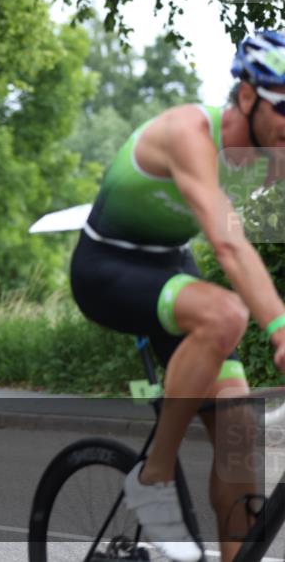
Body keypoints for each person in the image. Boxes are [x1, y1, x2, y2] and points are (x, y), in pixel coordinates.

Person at [70, 30, 285, 562]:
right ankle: (154, 477)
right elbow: (229, 246)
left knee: (238, 436)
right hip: (107, 267)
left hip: (169, 267)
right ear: (247, 96)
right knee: (226, 312)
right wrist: (280, 329)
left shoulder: (269, 154)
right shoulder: (189, 131)